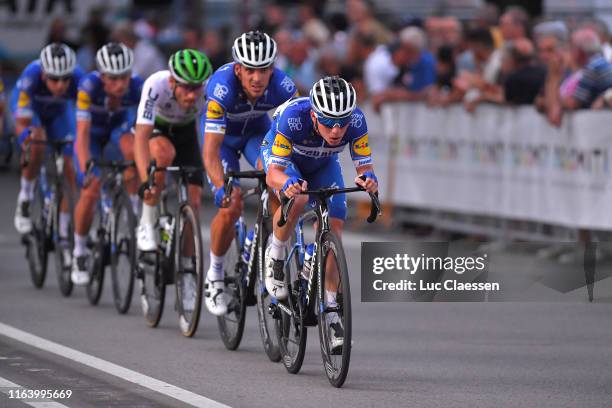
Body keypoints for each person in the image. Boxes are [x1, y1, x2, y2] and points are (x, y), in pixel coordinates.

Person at [260, 76, 378, 349]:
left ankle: (332, 307)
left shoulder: (357, 121)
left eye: (342, 122)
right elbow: (273, 174)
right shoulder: (293, 118)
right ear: (314, 115)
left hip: (323, 165)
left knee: (335, 223)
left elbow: (365, 169)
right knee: (298, 199)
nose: (336, 130)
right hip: (286, 161)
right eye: (327, 122)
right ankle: (276, 254)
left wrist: (368, 180)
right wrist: (286, 184)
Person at [201, 31, 297, 316]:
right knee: (231, 207)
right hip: (223, 143)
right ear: (238, 69)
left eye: (264, 70)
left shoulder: (283, 86)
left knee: (277, 179)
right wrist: (221, 188)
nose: (257, 78)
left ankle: (272, 247)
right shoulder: (221, 89)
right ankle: (215, 274)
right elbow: (210, 152)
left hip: (257, 134)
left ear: (273, 68)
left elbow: (294, 135)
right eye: (250, 70)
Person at [71, 42, 143, 285]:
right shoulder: (88, 87)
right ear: (102, 76)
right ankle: (79, 250)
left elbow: (143, 132)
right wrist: (85, 170)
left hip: (117, 128)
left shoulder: (137, 86)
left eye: (124, 76)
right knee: (90, 190)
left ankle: (132, 212)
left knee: (132, 152)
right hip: (91, 132)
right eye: (113, 78)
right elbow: (81, 135)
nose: (120, 84)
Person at [134, 49, 212, 254]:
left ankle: (187, 266)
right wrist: (145, 181)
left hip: (186, 133)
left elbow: (212, 136)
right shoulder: (155, 85)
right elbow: (141, 137)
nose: (192, 95)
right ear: (172, 82)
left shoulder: (209, 92)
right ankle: (147, 220)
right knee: (163, 154)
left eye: (196, 88)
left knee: (194, 201)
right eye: (186, 88)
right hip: (158, 129)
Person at [11, 43, 83, 246]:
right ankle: (25, 197)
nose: (60, 85)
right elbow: (22, 124)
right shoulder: (31, 76)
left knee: (70, 167)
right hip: (32, 113)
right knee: (36, 143)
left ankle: (62, 230)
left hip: (58, 114)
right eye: (54, 79)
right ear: (44, 75)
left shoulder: (79, 79)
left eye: (65, 79)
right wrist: (26, 137)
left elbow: (85, 122)